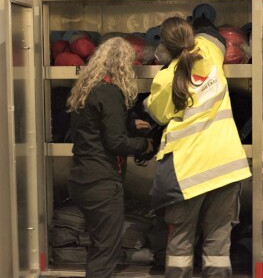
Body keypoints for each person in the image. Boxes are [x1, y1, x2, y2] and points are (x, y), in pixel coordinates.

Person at [143, 16, 252, 278]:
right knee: (218, 244)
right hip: (226, 167)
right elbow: (211, 33)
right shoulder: (210, 51)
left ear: (165, 48)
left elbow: (157, 114)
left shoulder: (166, 78)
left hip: (188, 172)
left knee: (180, 242)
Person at [66, 36, 153, 278]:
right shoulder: (110, 92)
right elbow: (116, 142)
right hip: (102, 182)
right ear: (123, 64)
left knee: (98, 246)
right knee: (106, 252)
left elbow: (94, 128)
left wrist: (127, 121)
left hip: (82, 179)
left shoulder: (87, 90)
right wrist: (143, 145)